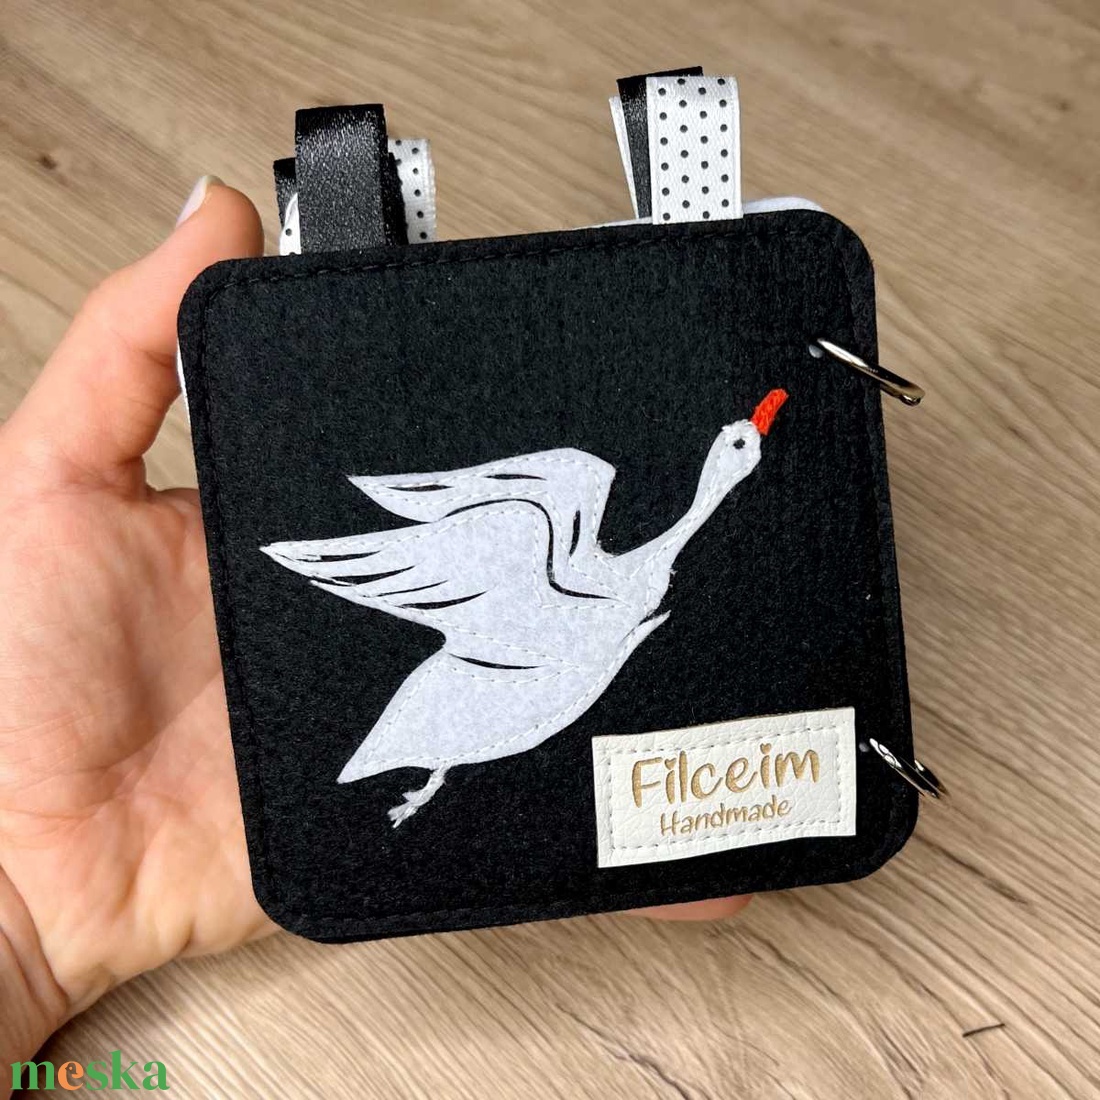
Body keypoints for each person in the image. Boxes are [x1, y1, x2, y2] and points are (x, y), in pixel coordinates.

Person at [0, 178, 750, 1072]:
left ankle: (434, 784)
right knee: (569, 484)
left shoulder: (617, 573)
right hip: (453, 717)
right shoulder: (567, 524)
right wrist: (24, 919)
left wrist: (31, 930)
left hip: (492, 732)